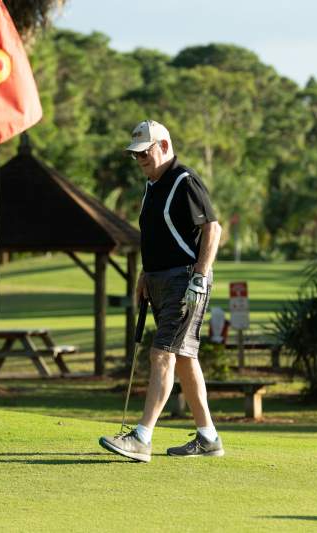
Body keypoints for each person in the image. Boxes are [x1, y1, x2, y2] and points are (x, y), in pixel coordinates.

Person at [99, 120, 223, 462]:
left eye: (145, 152)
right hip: (159, 279)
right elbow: (158, 236)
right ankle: (208, 436)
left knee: (162, 353)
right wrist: (145, 273)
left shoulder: (184, 180)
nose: (140, 160)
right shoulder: (153, 186)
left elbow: (212, 228)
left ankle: (142, 436)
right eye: (135, 155)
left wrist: (199, 275)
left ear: (164, 146)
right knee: (184, 357)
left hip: (184, 280)